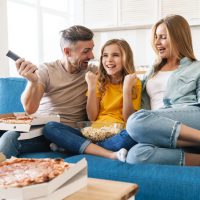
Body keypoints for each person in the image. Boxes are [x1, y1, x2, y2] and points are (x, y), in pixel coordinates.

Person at [0, 25, 94, 158]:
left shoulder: (92, 73)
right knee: (8, 136)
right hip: (39, 133)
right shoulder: (47, 70)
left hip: (65, 134)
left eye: (91, 49)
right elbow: (30, 108)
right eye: (86, 51)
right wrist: (32, 82)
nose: (91, 55)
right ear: (67, 52)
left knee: (10, 137)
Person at [43, 39, 142, 162]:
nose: (109, 60)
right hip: (93, 133)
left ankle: (75, 147)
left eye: (115, 55)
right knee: (50, 127)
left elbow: (129, 119)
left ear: (126, 58)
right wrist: (91, 86)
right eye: (105, 55)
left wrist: (126, 89)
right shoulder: (99, 81)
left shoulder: (134, 82)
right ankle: (107, 153)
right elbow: (92, 117)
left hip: (117, 135)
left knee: (132, 136)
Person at [125, 14, 200, 166]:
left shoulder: (196, 68)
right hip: (161, 128)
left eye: (163, 37)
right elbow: (142, 115)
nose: (157, 42)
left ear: (178, 38)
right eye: (156, 37)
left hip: (191, 118)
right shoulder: (150, 73)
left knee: (135, 121)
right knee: (135, 155)